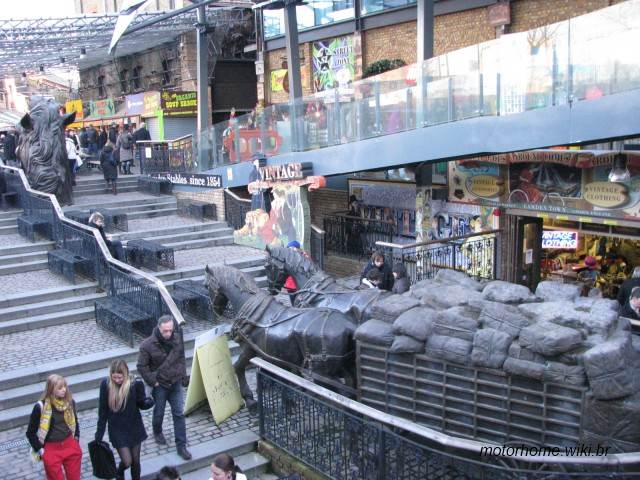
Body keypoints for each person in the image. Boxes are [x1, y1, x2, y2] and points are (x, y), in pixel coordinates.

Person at [137, 315, 192, 460]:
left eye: (170, 330)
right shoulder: (147, 345)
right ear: (159, 328)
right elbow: (142, 366)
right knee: (159, 411)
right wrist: (152, 381)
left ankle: (181, 446)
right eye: (165, 331)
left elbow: (181, 357)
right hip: (160, 384)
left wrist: (182, 375)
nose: (168, 334)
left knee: (179, 413)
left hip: (175, 382)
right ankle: (157, 430)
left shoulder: (177, 338)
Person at [95, 359, 151, 480]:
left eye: (120, 378)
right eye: (114, 378)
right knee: (127, 461)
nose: (117, 381)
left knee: (136, 460)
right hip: (117, 430)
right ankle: (119, 473)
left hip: (134, 426)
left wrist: (149, 402)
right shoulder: (106, 385)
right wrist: (99, 433)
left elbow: (141, 403)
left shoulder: (135, 384)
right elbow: (103, 411)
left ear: (125, 374)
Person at [26, 374, 82, 480]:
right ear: (51, 389)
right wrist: (41, 451)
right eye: (60, 388)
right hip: (51, 449)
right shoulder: (40, 407)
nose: (64, 390)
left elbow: (75, 422)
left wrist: (76, 439)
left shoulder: (70, 402)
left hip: (70, 444)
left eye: (64, 386)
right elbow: (30, 433)